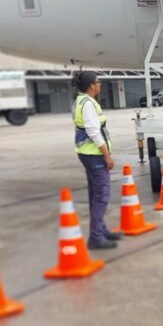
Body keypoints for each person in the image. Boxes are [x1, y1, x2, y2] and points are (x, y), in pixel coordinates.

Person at [72, 70, 121, 250]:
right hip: (94, 155)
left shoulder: (82, 101)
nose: (100, 84)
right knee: (101, 195)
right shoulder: (88, 104)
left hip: (87, 153)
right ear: (92, 85)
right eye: (98, 82)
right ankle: (96, 237)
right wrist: (107, 155)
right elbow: (93, 131)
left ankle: (101, 229)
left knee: (95, 194)